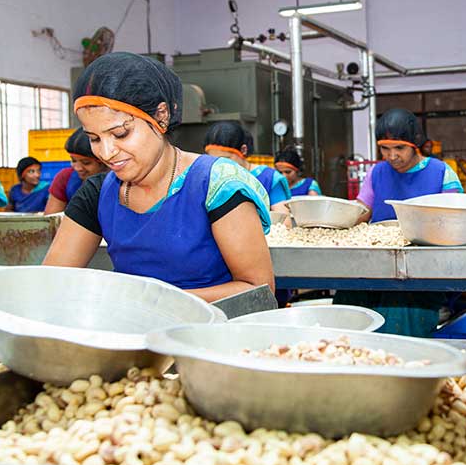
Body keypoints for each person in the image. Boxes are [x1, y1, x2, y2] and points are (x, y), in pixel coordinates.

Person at [43, 52, 274, 302]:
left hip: (214, 334)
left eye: (121, 133)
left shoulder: (216, 185)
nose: (106, 153)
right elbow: (51, 283)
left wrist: (156, 302)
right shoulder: (98, 194)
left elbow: (258, 289)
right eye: (94, 138)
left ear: (161, 116)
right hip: (134, 333)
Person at [335, 108, 463, 337]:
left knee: (400, 313)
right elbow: (363, 210)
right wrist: (335, 218)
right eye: (385, 148)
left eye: (399, 148)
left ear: (415, 145)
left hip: (424, 270)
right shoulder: (377, 172)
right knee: (349, 304)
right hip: (378, 265)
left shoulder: (442, 172)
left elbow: (455, 219)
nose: (391, 156)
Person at [204, 121, 291, 211]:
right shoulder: (209, 180)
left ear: (243, 150)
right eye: (213, 161)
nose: (220, 165)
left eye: (226, 159)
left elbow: (283, 220)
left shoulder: (268, 178)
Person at [44, 128, 109, 215]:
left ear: (104, 162)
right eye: (73, 161)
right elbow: (51, 219)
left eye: (86, 163)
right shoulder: (65, 178)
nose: (78, 168)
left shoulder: (117, 181)